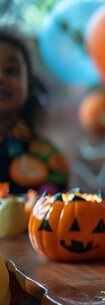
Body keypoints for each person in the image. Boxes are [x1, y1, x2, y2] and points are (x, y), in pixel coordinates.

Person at [0, 28, 68, 194]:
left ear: (29, 85)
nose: (1, 78)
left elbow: (52, 216)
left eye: (11, 70)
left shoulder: (49, 159)